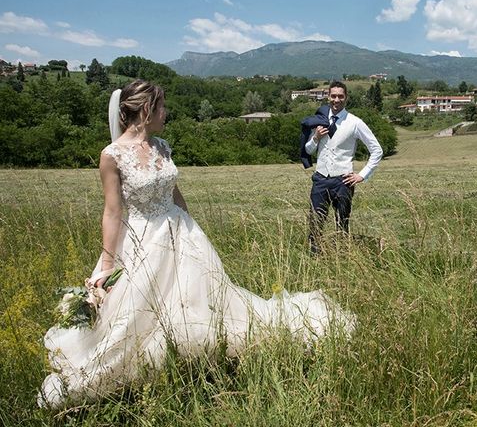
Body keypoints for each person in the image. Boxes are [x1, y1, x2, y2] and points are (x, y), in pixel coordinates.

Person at [39, 79, 354, 409]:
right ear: (146, 109)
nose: (166, 112)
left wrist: (192, 228)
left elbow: (174, 192)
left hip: (182, 234)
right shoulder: (112, 155)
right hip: (144, 240)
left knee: (198, 302)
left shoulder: (162, 146)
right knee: (137, 316)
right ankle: (137, 369)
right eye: (162, 106)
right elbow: (112, 211)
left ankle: (196, 361)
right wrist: (107, 263)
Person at [304, 81, 383, 253]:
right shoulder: (319, 121)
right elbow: (308, 150)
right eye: (333, 96)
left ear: (346, 98)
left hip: (343, 181)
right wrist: (316, 137)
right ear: (328, 97)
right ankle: (314, 259)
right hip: (320, 180)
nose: (336, 100)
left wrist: (362, 175)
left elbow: (377, 150)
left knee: (342, 224)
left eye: (340, 96)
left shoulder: (355, 122)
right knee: (315, 223)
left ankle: (342, 258)